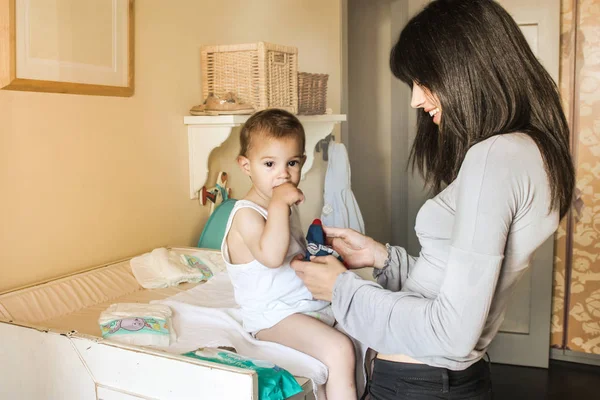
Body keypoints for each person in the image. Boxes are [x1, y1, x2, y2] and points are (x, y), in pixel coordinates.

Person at [291, 1, 575, 399]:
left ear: (466, 67)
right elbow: (455, 281)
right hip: (434, 383)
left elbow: (452, 332)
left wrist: (341, 288)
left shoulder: (495, 156)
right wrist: (383, 258)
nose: (415, 101)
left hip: (421, 385)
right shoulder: (528, 152)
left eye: (422, 81)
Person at [220, 109, 357, 399]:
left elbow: (290, 253)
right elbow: (271, 256)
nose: (283, 174)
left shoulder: (280, 204)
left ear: (302, 163)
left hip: (299, 304)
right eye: (269, 163)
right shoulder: (246, 214)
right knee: (339, 349)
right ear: (246, 166)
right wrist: (280, 204)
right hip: (271, 317)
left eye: (291, 163)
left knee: (363, 317)